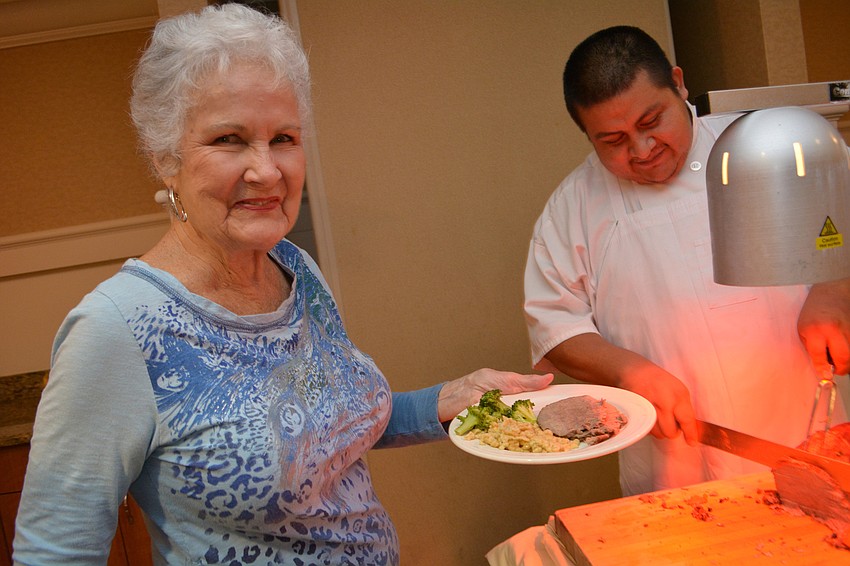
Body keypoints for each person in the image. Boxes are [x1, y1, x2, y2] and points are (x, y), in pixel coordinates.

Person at [12, 5, 552, 565]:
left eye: (284, 138)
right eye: (229, 138)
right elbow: (53, 551)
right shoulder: (117, 329)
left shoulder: (296, 270)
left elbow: (326, 425)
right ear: (165, 156)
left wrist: (450, 401)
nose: (267, 171)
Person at [523, 25, 850, 498]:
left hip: (811, 432)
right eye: (612, 141)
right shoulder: (571, 208)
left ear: (678, 83)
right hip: (678, 460)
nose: (641, 149)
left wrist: (833, 289)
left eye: (652, 121)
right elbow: (555, 329)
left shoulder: (770, 147)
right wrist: (627, 370)